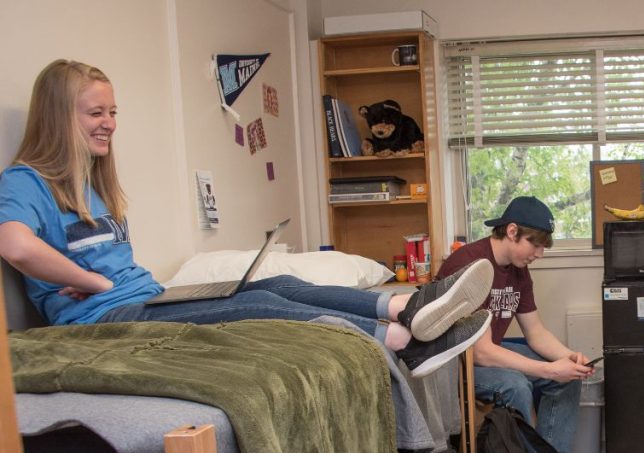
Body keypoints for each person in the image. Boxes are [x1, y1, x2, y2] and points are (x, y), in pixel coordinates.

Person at [0, 59, 492, 378]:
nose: (109, 122)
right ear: (59, 115)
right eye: (94, 113)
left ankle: (406, 305)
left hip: (144, 298)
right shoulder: (27, 181)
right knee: (247, 309)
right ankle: (404, 343)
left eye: (112, 111)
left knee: (268, 284)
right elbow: (16, 246)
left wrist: (107, 281)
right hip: (102, 320)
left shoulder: (93, 185)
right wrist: (91, 281)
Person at [436, 196, 595, 453]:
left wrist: (569, 358)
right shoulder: (472, 265)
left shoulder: (518, 270)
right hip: (454, 363)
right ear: (511, 232)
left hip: (487, 351)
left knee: (569, 375)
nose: (539, 254)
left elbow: (535, 332)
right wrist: (549, 370)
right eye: (534, 245)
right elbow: (479, 351)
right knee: (516, 385)